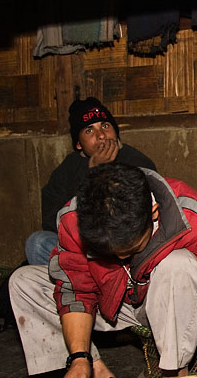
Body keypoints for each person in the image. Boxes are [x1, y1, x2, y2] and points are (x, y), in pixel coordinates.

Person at [9, 163, 197, 378]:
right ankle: (94, 375)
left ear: (153, 212)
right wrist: (79, 357)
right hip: (117, 302)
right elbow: (76, 293)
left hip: (178, 299)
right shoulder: (76, 218)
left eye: (131, 249)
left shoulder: (191, 214)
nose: (121, 257)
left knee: (177, 264)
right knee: (24, 282)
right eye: (109, 253)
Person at [25, 97, 156, 266]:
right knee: (37, 242)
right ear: (79, 144)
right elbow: (52, 219)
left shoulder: (137, 161)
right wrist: (92, 174)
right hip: (86, 249)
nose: (101, 135)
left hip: (128, 250)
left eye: (105, 126)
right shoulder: (69, 168)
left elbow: (145, 217)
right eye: (89, 130)